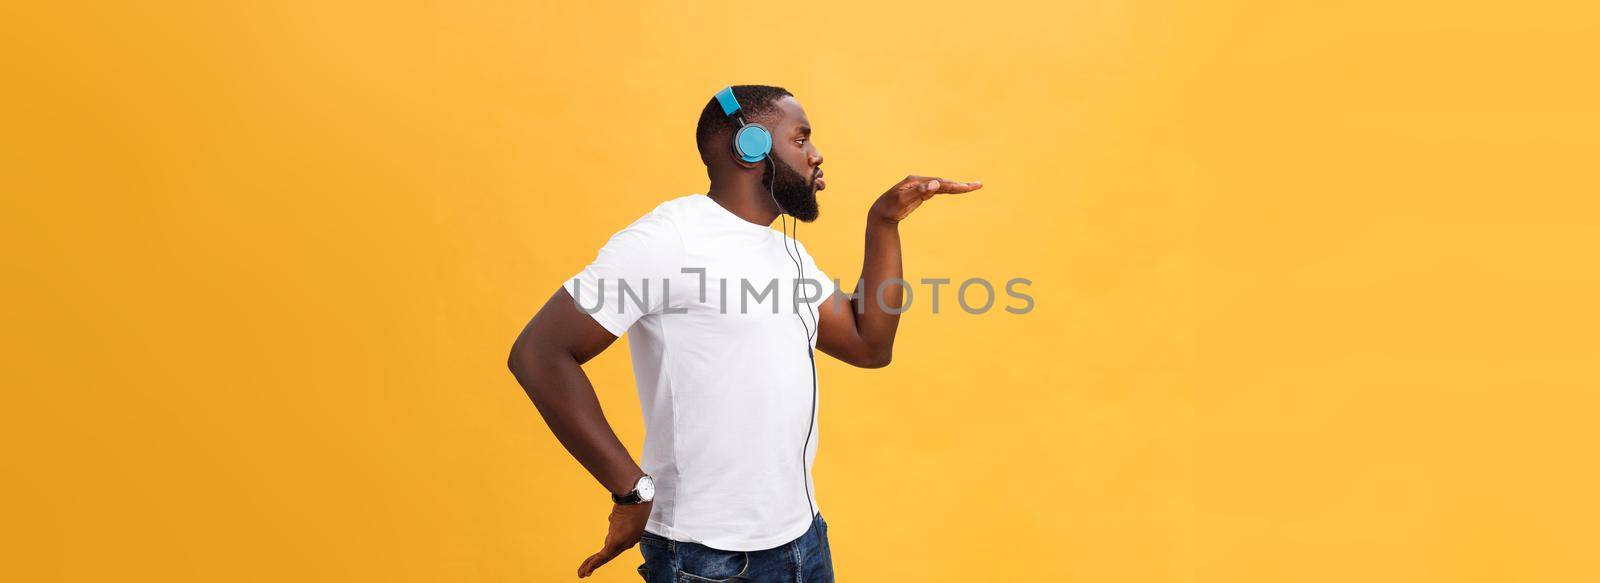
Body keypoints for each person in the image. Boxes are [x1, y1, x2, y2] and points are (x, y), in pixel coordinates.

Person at [507, 84, 982, 582]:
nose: (817, 155)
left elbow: (869, 345)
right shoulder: (670, 238)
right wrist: (631, 489)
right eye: (801, 139)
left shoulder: (787, 253)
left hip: (804, 542)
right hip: (706, 560)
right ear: (750, 146)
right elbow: (539, 353)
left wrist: (883, 222)